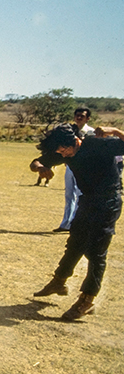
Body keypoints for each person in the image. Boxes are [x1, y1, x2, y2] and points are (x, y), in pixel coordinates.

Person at [29, 124, 123, 320]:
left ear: (75, 141)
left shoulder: (99, 144)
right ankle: (59, 281)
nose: (62, 155)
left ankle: (87, 299)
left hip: (108, 202)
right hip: (87, 201)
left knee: (96, 252)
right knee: (75, 244)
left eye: (63, 150)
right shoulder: (63, 152)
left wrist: (114, 131)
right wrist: (41, 167)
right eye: (58, 152)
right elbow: (35, 162)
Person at [53, 107, 95, 232]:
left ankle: (76, 223)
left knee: (79, 195)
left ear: (88, 118)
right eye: (77, 115)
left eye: (82, 116)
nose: (79, 118)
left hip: (83, 168)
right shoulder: (69, 131)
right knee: (69, 194)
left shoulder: (91, 132)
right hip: (70, 167)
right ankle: (66, 223)